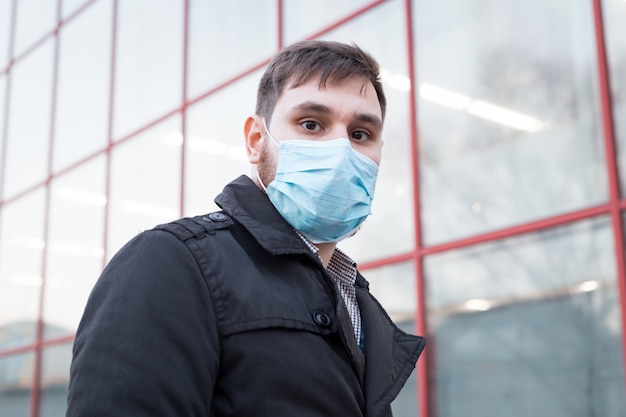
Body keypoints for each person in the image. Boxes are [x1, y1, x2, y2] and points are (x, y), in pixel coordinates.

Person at [66, 40, 426, 417]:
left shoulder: (356, 301)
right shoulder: (172, 262)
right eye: (311, 124)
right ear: (256, 141)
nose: (340, 151)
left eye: (360, 134)